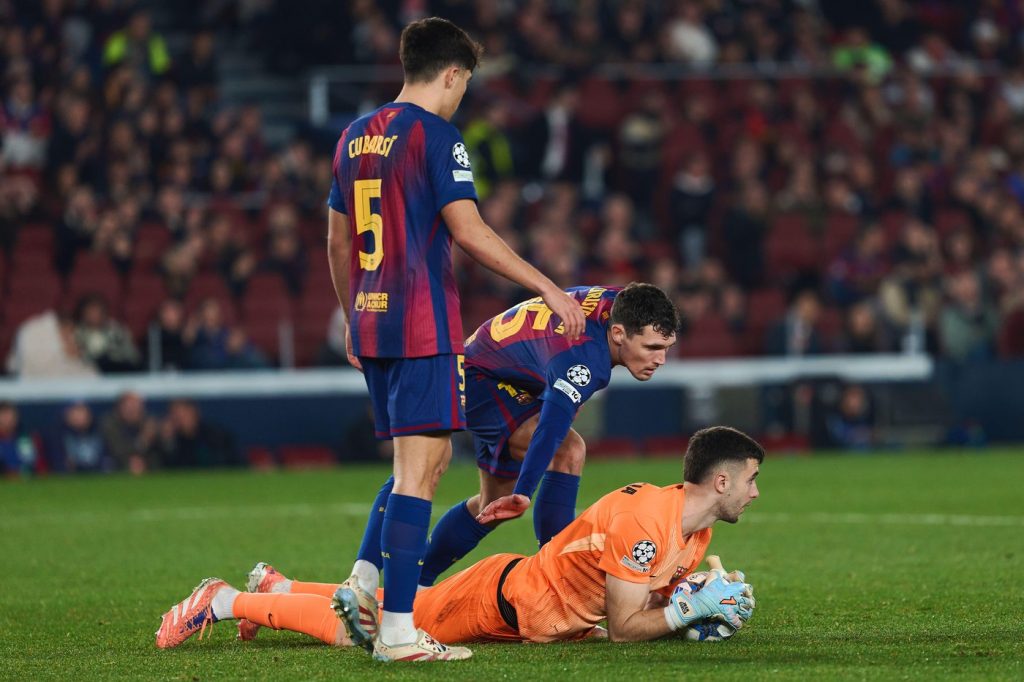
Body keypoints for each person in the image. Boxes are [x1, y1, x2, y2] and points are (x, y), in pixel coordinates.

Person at [324, 17, 585, 662]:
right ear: (453, 75)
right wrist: (548, 287)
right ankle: (396, 631)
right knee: (423, 470)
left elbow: (336, 240)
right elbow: (468, 231)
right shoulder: (438, 136)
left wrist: (353, 313)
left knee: (418, 462)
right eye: (465, 81)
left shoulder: (354, 136)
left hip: (374, 320)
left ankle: (362, 583)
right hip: (421, 321)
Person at [153, 426, 761, 649]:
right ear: (724, 478)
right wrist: (685, 611)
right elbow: (626, 626)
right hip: (498, 600)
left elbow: (636, 597)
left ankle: (280, 586)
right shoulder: (650, 522)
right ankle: (225, 598)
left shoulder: (689, 529)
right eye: (752, 481)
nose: (755, 494)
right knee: (357, 631)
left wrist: (695, 602)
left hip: (528, 602)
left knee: (395, 609)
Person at [416, 283, 678, 590]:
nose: (661, 359)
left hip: (504, 369)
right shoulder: (584, 359)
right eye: (652, 348)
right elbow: (551, 428)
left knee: (494, 502)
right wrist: (525, 491)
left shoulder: (623, 304)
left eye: (666, 347)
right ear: (619, 334)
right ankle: (558, 585)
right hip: (481, 378)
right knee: (568, 451)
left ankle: (416, 585)